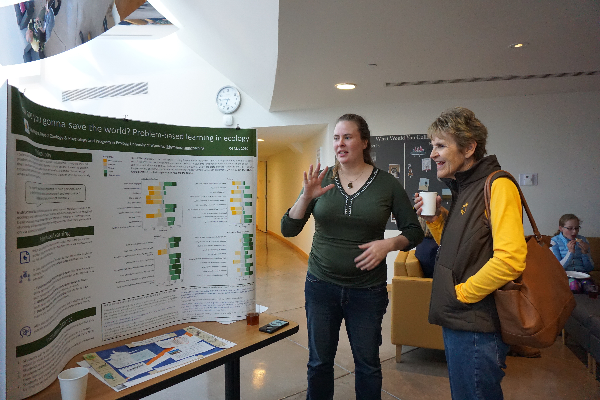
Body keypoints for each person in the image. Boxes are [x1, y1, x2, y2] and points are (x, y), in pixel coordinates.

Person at [281, 114, 423, 400]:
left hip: (367, 292)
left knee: (368, 365)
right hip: (321, 285)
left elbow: (414, 231)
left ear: (364, 142)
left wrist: (388, 244)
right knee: (319, 363)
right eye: (336, 137)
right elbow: (288, 228)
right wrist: (306, 196)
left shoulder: (387, 184)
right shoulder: (321, 180)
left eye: (347, 137)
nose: (340, 143)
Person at [414, 107, 527, 400]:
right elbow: (458, 250)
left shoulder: (498, 185)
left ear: (469, 147)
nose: (433, 153)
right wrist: (437, 220)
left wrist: (460, 294)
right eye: (432, 146)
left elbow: (510, 260)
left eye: (440, 145)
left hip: (477, 324)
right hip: (460, 319)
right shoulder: (464, 188)